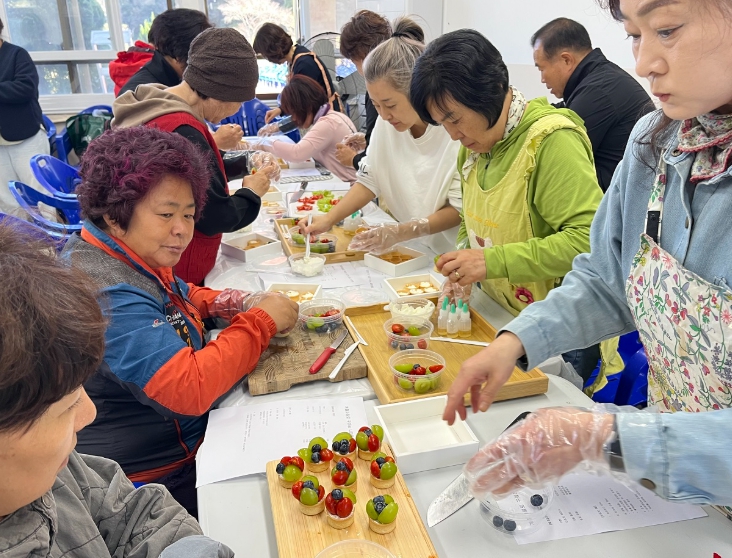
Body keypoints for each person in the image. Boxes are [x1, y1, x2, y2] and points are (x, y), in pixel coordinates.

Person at [445, 0, 732, 506]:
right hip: (676, 497)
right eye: (634, 35)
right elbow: (607, 278)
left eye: (667, 30)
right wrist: (515, 341)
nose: (643, 64)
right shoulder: (655, 143)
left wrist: (602, 439)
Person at [64, 126, 298, 517]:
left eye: (189, 215)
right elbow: (187, 388)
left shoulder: (122, 251)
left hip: (178, 446)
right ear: (114, 213)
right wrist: (260, 322)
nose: (182, 229)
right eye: (166, 214)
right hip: (151, 483)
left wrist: (236, 302)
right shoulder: (105, 291)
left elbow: (178, 294)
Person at [0, 221, 235, 557]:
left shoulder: (58, 471)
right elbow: (186, 386)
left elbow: (129, 511)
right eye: (65, 406)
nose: (88, 413)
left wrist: (186, 547)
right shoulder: (110, 285)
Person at [410, 29, 621, 384]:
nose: (453, 135)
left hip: (556, 332)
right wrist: (462, 266)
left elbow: (588, 242)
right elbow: (472, 221)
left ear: (489, 92)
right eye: (442, 124)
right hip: (501, 314)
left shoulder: (551, 142)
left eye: (455, 119)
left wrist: (490, 261)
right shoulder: (475, 145)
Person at [113, 27, 279, 285]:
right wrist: (251, 193)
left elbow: (194, 173)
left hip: (143, 252)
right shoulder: (184, 130)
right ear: (220, 91)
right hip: (176, 267)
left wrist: (246, 162)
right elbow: (215, 216)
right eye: (238, 101)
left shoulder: (155, 105)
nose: (236, 110)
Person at [300, 18, 462, 256]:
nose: (384, 115)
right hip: (416, 248)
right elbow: (370, 179)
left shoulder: (453, 133)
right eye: (376, 105)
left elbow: (458, 210)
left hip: (452, 254)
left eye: (390, 104)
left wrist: (402, 231)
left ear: (417, 90)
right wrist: (328, 219)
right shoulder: (387, 125)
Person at [531, 17, 653, 192]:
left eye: (541, 68)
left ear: (566, 60)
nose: (542, 79)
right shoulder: (598, 80)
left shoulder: (600, 90)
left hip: (621, 198)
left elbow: (554, 152)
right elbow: (558, 112)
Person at [112, 10, 242, 152]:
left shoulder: (174, 80)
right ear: (181, 54)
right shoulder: (144, 91)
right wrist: (215, 142)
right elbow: (148, 155)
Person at [246, 75, 357, 182]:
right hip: (342, 180)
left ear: (306, 107)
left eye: (294, 113)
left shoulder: (327, 124)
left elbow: (297, 153)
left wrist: (265, 143)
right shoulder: (336, 116)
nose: (294, 119)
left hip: (348, 184)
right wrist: (276, 128)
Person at [0, 16, 50, 213]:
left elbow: (25, 88)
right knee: (7, 200)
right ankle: (20, 234)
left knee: (41, 192)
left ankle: (52, 232)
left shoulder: (17, 54)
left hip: (26, 136)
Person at [336, 10, 396, 170]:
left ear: (364, 56)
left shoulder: (377, 91)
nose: (385, 114)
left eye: (354, 62)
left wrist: (353, 159)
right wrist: (369, 139)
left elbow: (379, 159)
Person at [253, 22, 343, 122]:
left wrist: (279, 124)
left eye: (265, 56)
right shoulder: (296, 57)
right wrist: (280, 110)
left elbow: (302, 102)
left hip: (328, 118)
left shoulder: (304, 64)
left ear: (272, 52)